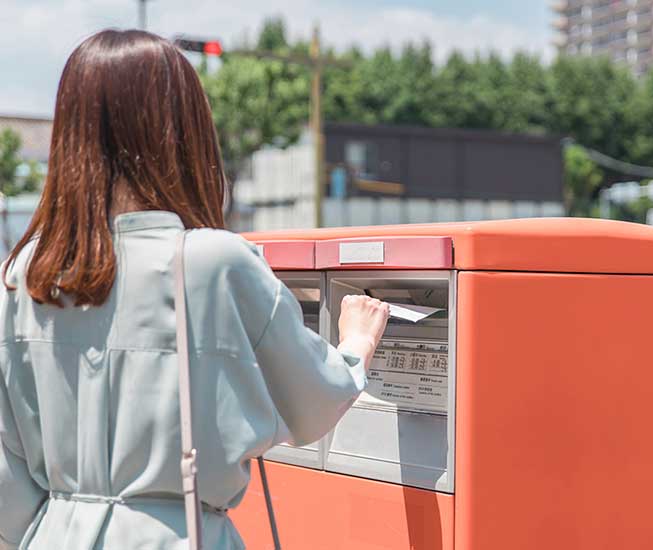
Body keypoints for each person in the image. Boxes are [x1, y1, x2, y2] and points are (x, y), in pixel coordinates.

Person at [0, 29, 389, 549]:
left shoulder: (27, 273)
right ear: (179, 131)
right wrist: (356, 344)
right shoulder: (214, 262)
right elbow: (313, 403)